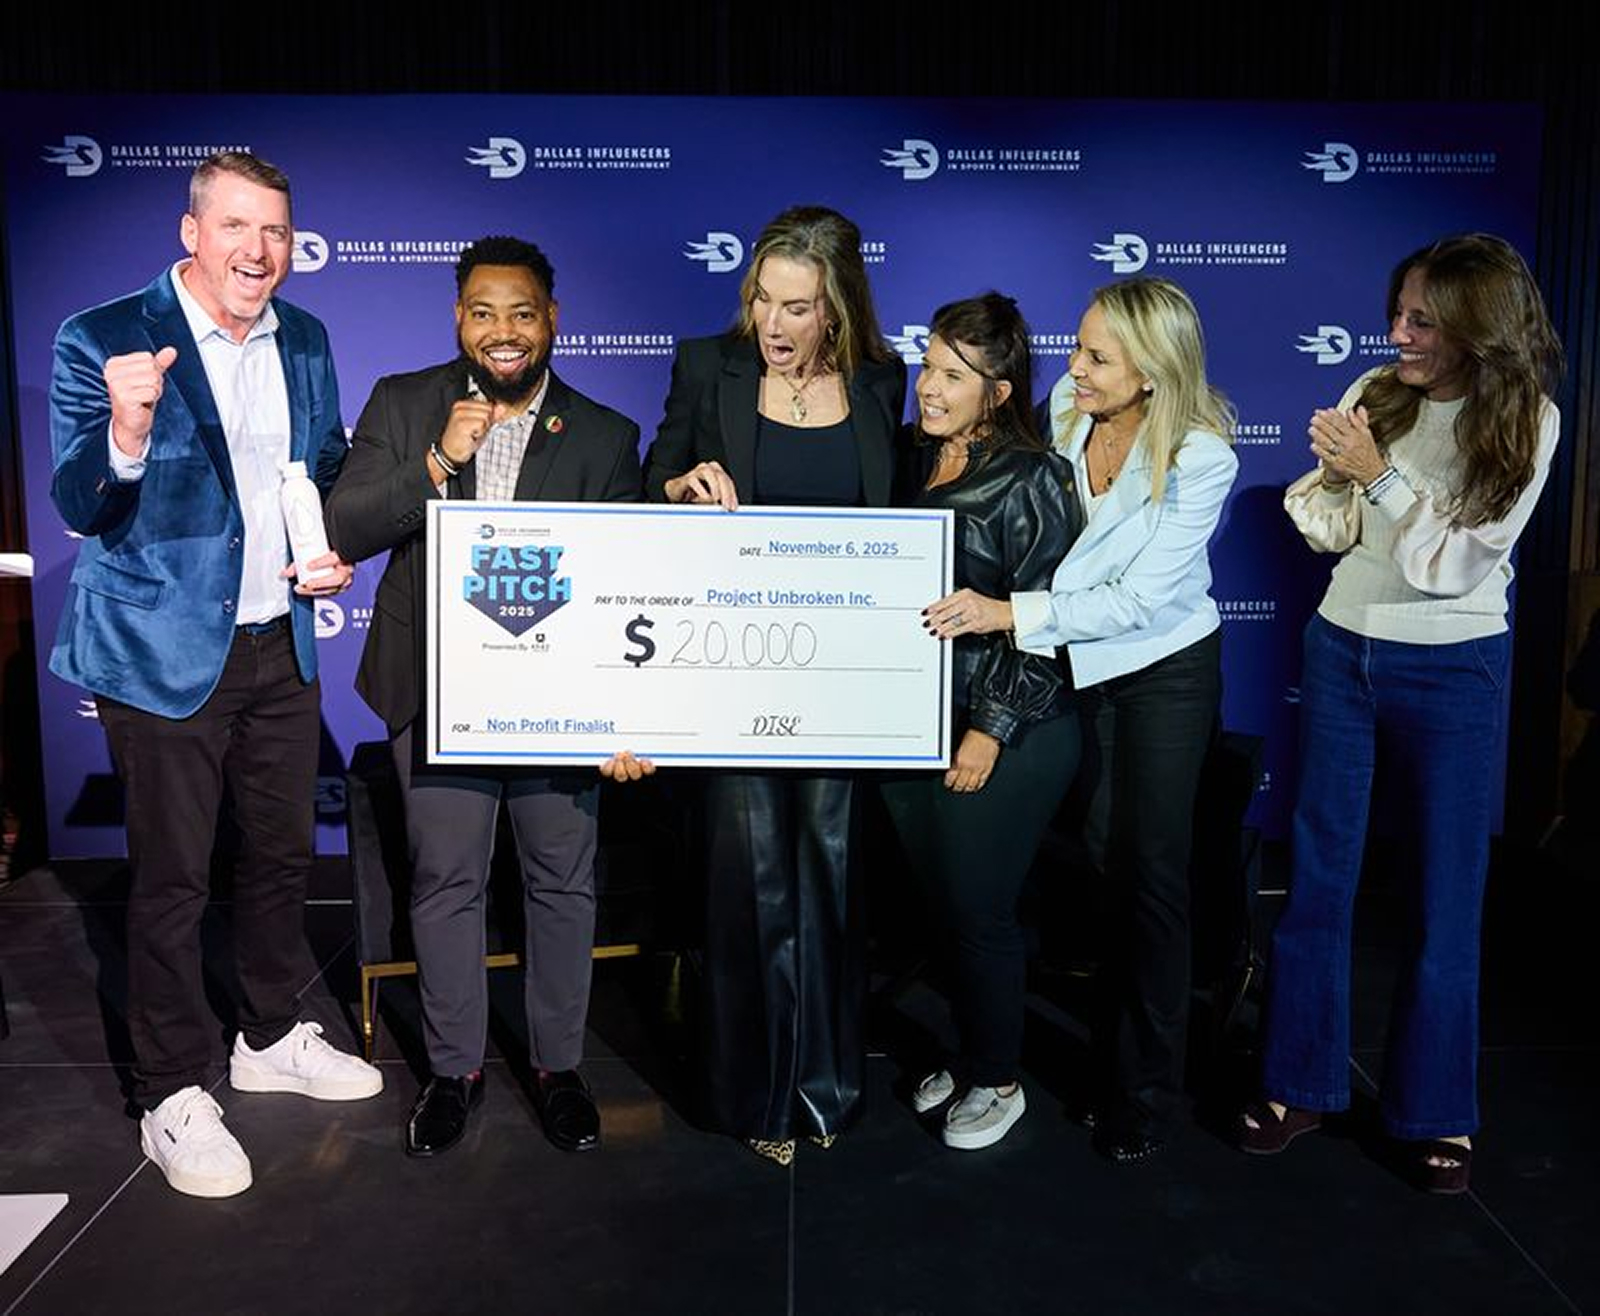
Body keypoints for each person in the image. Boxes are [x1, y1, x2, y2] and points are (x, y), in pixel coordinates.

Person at [48, 151, 378, 1199]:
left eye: (275, 229)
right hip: (159, 655)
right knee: (173, 879)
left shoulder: (306, 336)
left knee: (280, 856)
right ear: (191, 232)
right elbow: (79, 503)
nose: (257, 249)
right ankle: (170, 1091)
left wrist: (330, 547)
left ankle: (268, 1034)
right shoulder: (101, 335)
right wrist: (127, 429)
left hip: (280, 639)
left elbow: (322, 469)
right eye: (235, 225)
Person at [1238, 234, 1562, 1194]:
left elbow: (1452, 566)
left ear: (1477, 326)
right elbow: (1334, 533)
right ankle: (1298, 1083)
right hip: (1342, 646)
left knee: (1444, 892)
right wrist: (1339, 480)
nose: (1399, 334)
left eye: (1423, 320)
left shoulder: (1529, 419)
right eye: (1400, 313)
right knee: (1320, 876)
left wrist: (1377, 473)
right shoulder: (1378, 389)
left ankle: (1434, 1112)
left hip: (1455, 663)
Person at [324, 236, 644, 1158]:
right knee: (445, 881)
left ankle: (558, 1068)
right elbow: (347, 524)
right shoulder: (404, 402)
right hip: (436, 691)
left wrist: (626, 715)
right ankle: (454, 1072)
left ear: (553, 321)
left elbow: (628, 582)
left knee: (561, 881)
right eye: (483, 312)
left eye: (522, 313)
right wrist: (435, 459)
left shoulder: (605, 435)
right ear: (458, 317)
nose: (503, 331)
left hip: (559, 701)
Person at [926, 276, 1237, 1161]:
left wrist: (1006, 612)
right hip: (1074, 664)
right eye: (1078, 348)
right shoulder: (1069, 409)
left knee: (1151, 875)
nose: (1075, 368)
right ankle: (1090, 1058)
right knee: (1099, 865)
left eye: (1099, 357)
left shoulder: (1202, 457)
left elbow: (1138, 600)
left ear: (1153, 370)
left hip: (1162, 670)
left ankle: (1146, 1091)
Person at [643, 205, 905, 1164]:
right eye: (763, 300)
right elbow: (652, 481)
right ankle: (753, 1097)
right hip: (732, 672)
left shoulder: (881, 381)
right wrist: (680, 490)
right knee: (747, 887)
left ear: (838, 307)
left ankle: (825, 1088)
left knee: (830, 881)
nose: (775, 324)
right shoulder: (706, 367)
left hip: (843, 680)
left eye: (798, 307)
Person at [880, 293, 1080, 1150]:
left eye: (953, 375)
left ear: (997, 392)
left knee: (980, 908)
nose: (929, 386)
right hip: (918, 719)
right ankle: (969, 1054)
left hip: (1007, 729)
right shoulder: (909, 455)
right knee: (943, 905)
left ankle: (1000, 1081)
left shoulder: (1034, 477)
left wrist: (989, 728)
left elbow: (1047, 618)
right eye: (928, 365)